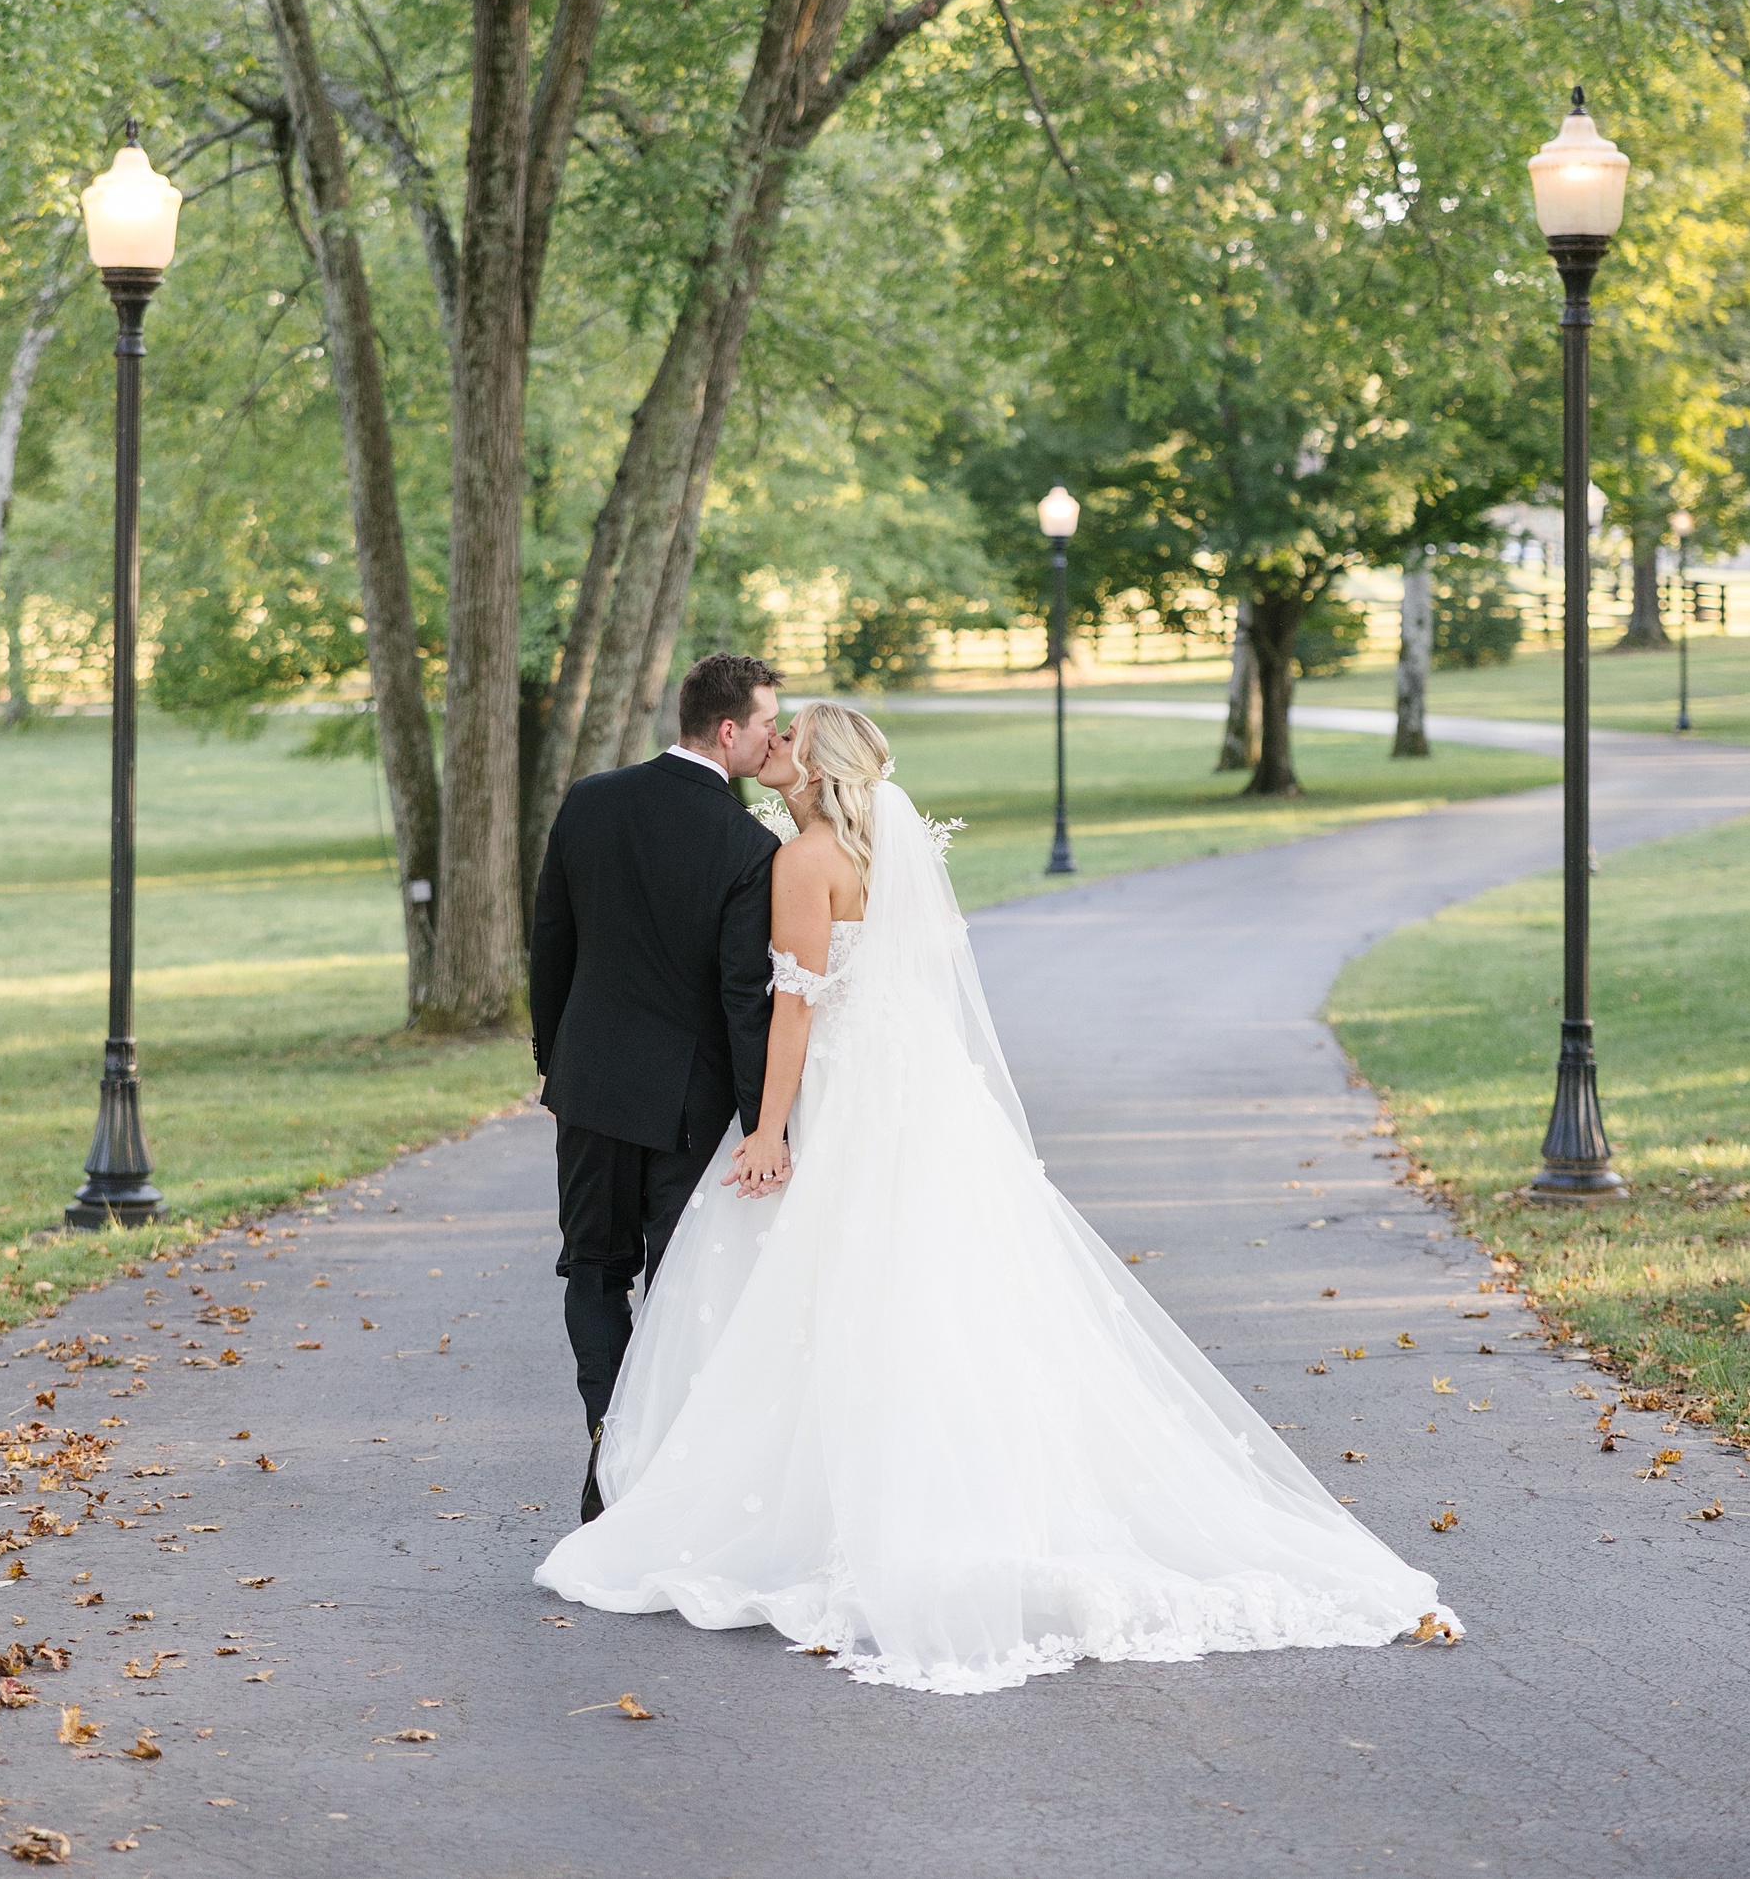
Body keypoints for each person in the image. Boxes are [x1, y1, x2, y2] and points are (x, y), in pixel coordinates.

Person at [535, 697, 1459, 1694]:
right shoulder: (882, 847)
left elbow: (793, 1008)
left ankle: (839, 1509)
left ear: (815, 762)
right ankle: (960, 1491)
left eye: (790, 735)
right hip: (920, 1087)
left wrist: (766, 1131)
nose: (774, 744)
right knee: (942, 1288)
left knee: (843, 1285)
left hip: (852, 1094)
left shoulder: (801, 862)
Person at [530, 650, 783, 1526]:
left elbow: (550, 941)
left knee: (593, 1269)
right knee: (678, 1289)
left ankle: (610, 1449)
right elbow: (743, 997)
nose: (770, 738)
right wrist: (764, 1124)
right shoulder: (748, 846)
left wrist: (551, 1061)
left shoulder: (589, 801)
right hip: (689, 1106)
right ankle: (658, 1476)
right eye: (764, 725)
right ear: (727, 729)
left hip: (589, 1085)